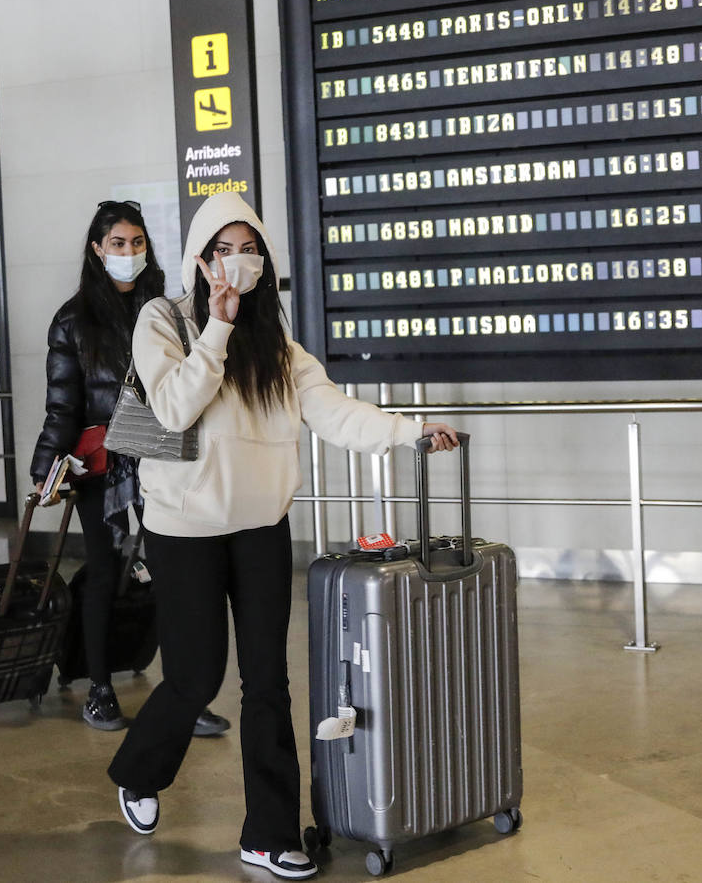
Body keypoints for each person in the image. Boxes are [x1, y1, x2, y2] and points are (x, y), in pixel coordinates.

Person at [107, 192, 460, 880]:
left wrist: (409, 432)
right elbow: (173, 408)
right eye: (223, 249)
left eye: (249, 248)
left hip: (262, 527)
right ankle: (138, 771)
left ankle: (268, 834)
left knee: (269, 681)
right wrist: (215, 329)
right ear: (200, 260)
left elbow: (336, 413)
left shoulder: (279, 347)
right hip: (184, 529)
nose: (239, 261)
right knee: (195, 675)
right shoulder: (163, 320)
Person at [31, 200, 229, 735]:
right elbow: (62, 403)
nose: (129, 253)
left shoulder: (165, 309)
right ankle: (99, 689)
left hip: (163, 455)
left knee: (174, 575)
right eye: (118, 244)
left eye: (137, 243)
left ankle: (184, 696)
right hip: (104, 466)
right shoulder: (73, 319)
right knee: (103, 574)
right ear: (97, 250)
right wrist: (47, 462)